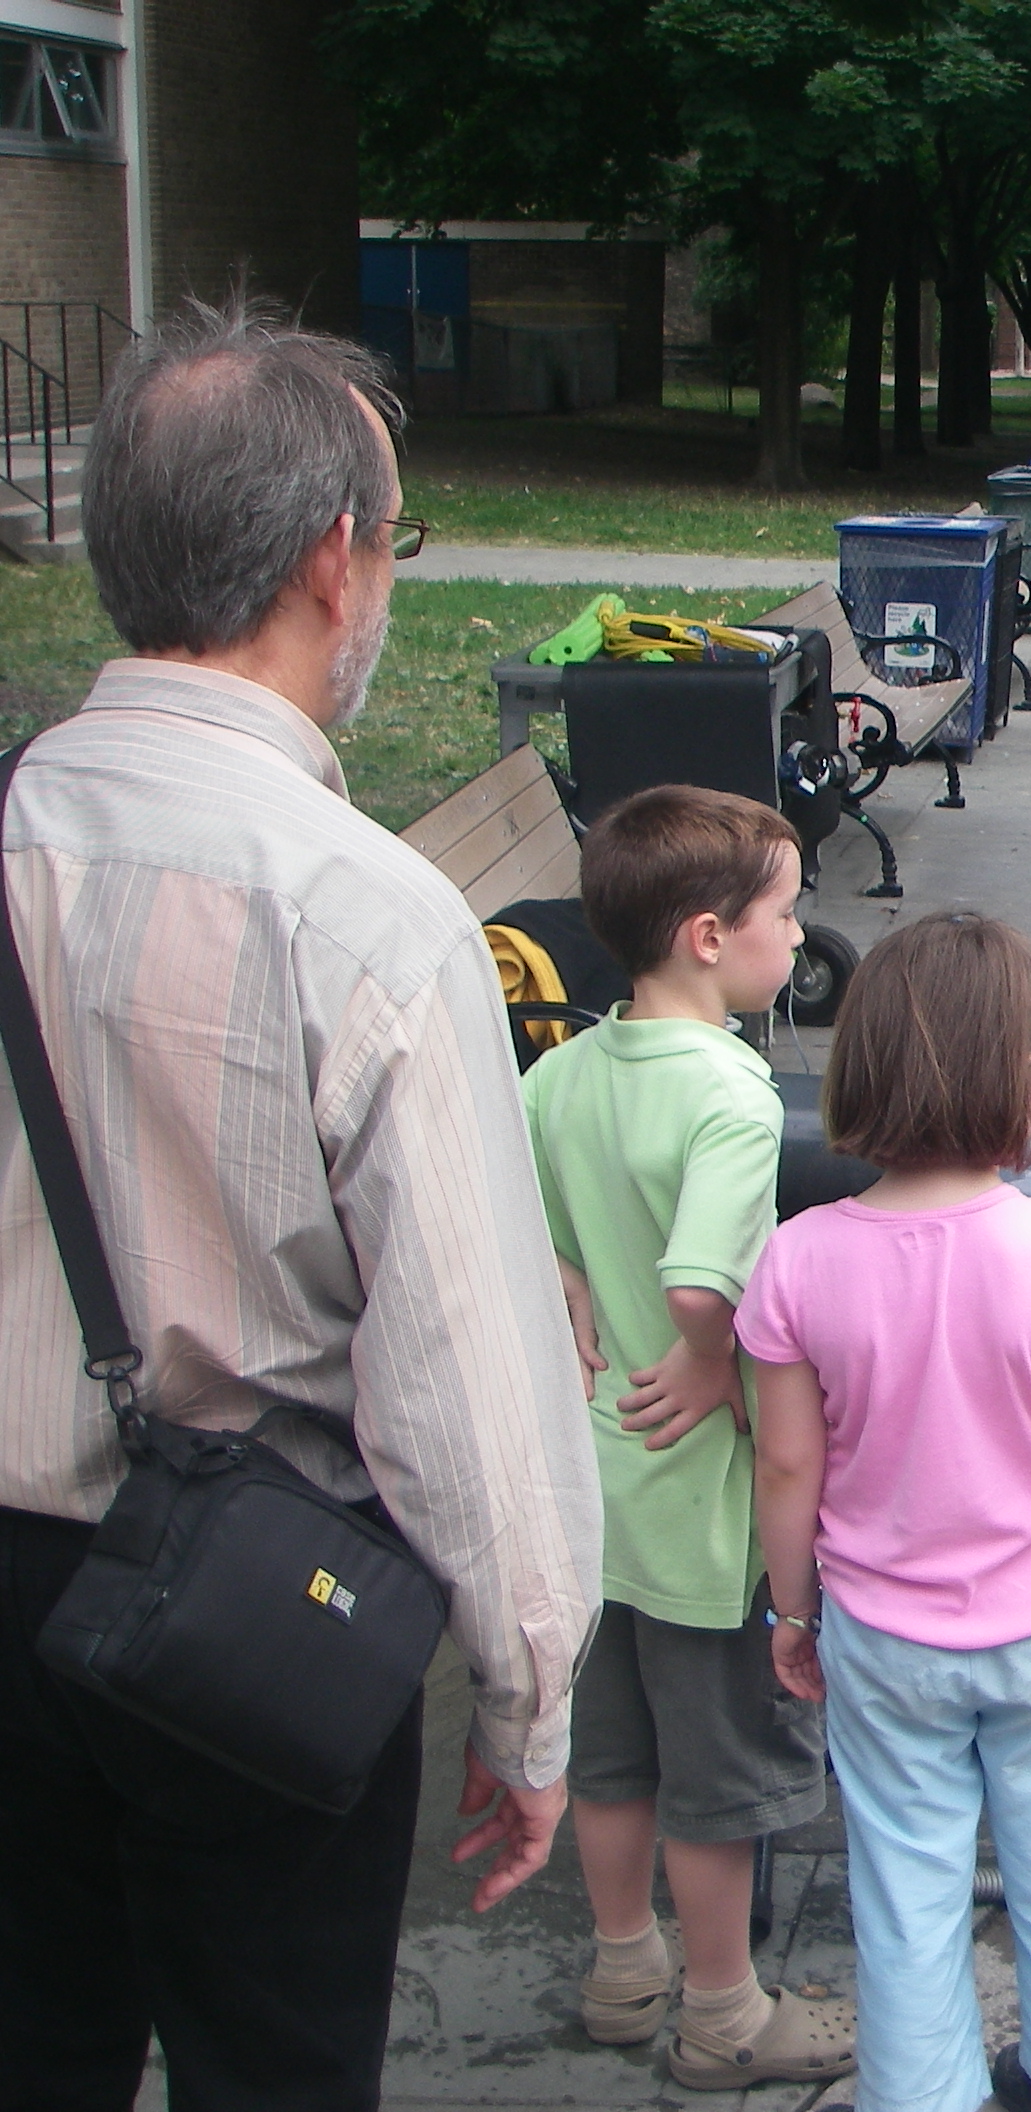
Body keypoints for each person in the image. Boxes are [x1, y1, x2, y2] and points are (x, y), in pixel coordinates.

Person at [0, 298, 602, 2109]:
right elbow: (468, 1373)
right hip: (258, 1599)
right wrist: (527, 1696)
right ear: (335, 560)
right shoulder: (365, 916)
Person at [744, 914, 1031, 2112]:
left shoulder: (797, 1260)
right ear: (1018, 1078)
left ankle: (922, 2092)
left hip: (882, 1636)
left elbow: (786, 1469)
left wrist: (792, 1613)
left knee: (904, 1884)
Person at [520, 785, 854, 2091]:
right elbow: (701, 1287)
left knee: (610, 1760)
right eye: (786, 912)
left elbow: (532, 1224)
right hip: (702, 1516)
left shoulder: (560, 1072)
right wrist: (715, 1360)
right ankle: (723, 2013)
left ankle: (623, 1969)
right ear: (710, 938)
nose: (800, 933)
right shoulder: (732, 1093)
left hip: (592, 1486)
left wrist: (568, 1276)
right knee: (715, 1780)